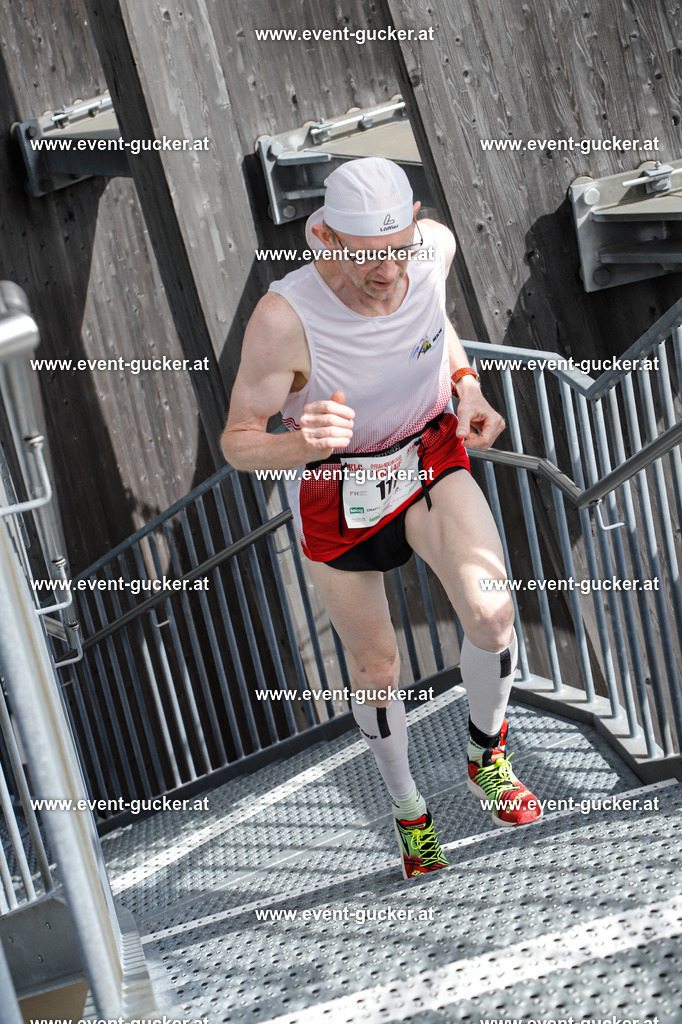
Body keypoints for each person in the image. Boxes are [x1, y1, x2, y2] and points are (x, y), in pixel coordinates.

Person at [221, 157, 541, 879]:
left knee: (492, 616)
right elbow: (238, 440)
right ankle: (408, 811)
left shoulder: (433, 249)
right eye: (366, 257)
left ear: (415, 224)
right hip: (339, 489)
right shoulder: (284, 318)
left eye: (397, 251)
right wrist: (300, 442)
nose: (386, 271)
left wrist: (466, 386)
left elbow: (434, 323)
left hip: (429, 453)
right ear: (327, 240)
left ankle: (485, 756)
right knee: (376, 664)